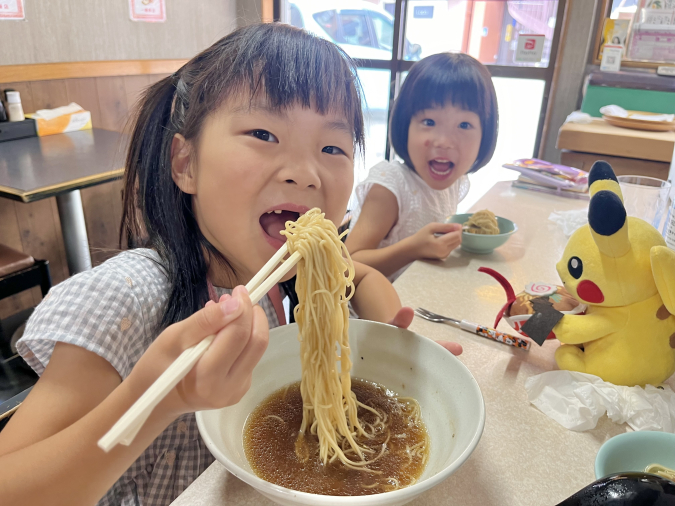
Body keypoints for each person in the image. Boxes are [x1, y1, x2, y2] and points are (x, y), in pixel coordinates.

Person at [0, 24, 461, 506]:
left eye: (332, 148)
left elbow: (358, 273)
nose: (305, 173)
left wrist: (392, 330)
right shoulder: (128, 298)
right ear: (186, 164)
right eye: (264, 133)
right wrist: (158, 397)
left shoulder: (297, 273)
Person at [345, 53, 499, 281]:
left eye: (464, 125)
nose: (444, 141)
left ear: (485, 134)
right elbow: (347, 266)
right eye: (429, 122)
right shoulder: (391, 187)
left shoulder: (455, 182)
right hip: (373, 314)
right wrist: (413, 248)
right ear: (405, 125)